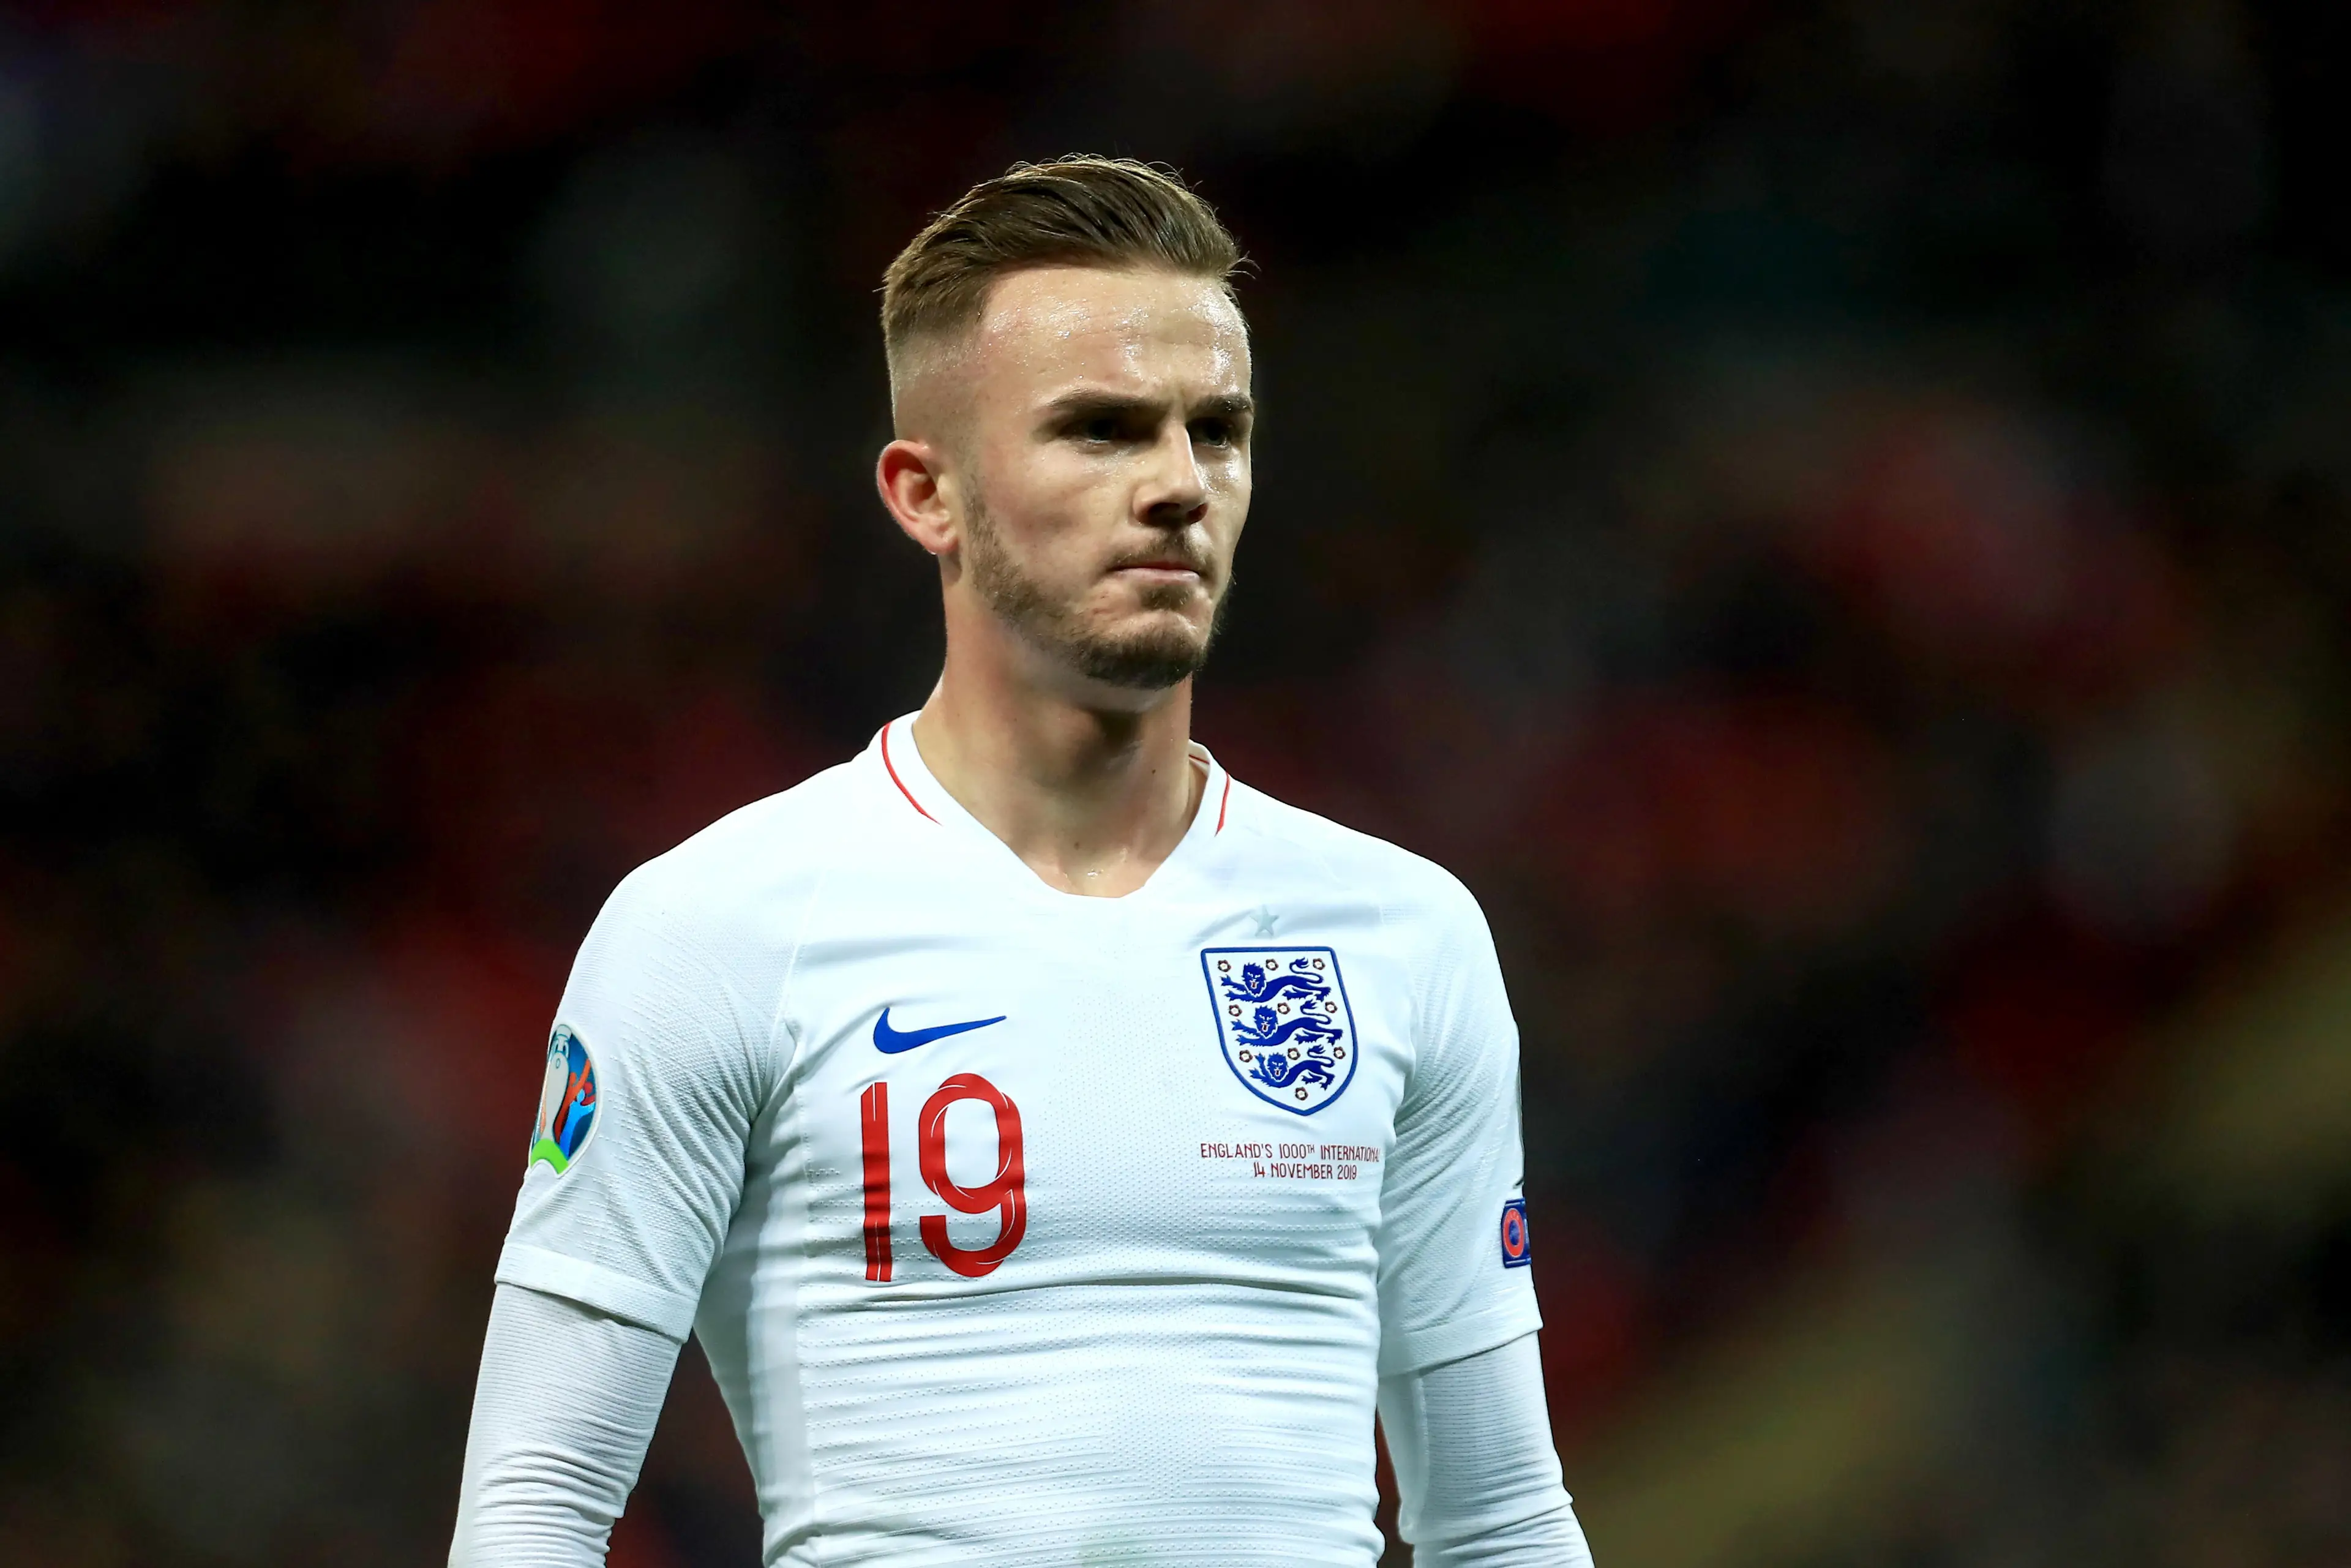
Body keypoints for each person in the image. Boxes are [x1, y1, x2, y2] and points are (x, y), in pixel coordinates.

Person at [449, 157, 1594, 1567]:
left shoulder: (1403, 932)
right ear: (926, 493)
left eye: (1216, 430)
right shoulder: (722, 925)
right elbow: (538, 1504)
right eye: (1103, 430)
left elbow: (1499, 1514)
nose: (1180, 485)